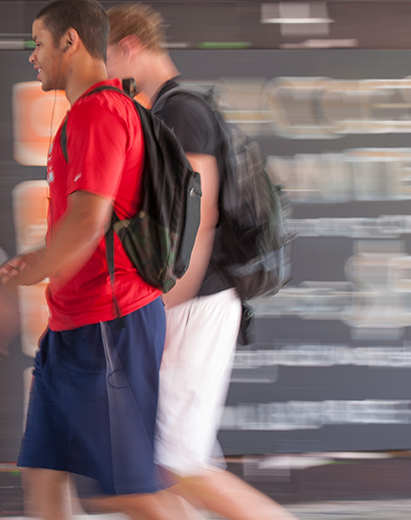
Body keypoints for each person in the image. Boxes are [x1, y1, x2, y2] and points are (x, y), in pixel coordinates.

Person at [103, 5, 298, 520]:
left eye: (105, 60)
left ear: (128, 46)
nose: (105, 78)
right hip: (193, 300)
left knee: (178, 461)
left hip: (197, 299)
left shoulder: (180, 113)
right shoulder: (167, 110)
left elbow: (199, 219)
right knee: (167, 461)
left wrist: (163, 307)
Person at [0, 1, 188, 518]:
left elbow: (88, 220)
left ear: (70, 42)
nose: (32, 57)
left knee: (129, 489)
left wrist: (33, 267)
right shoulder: (95, 112)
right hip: (73, 327)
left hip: (110, 323)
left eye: (37, 43)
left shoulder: (100, 112)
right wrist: (39, 271)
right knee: (43, 472)